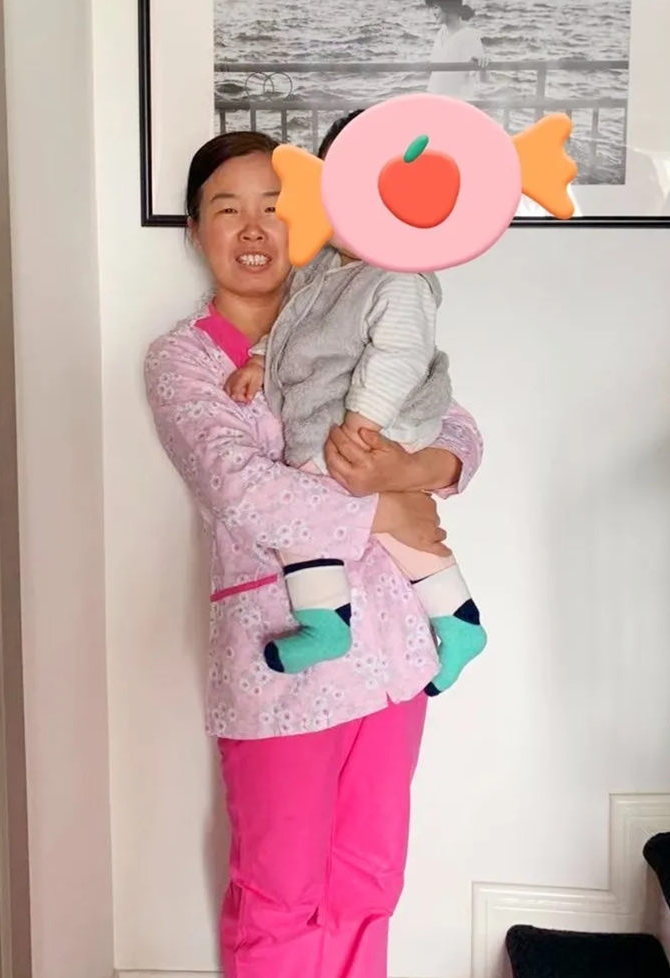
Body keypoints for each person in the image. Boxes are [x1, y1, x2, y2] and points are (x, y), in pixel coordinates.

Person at [144, 129, 484, 978]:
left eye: (274, 206)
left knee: (370, 880)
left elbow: (455, 427)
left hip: (396, 650)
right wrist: (388, 502)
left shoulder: (354, 307)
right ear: (195, 230)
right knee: (279, 891)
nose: (254, 227)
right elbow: (242, 490)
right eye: (228, 209)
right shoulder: (183, 361)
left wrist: (418, 471)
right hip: (283, 668)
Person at [224, 111, 486, 693]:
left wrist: (364, 424)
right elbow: (294, 325)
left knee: (308, 507)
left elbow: (399, 357)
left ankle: (338, 620)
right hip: (330, 425)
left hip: (371, 423)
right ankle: (451, 619)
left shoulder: (399, 280)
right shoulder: (322, 265)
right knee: (339, 514)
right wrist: (262, 360)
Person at [426, 0, 488, 100]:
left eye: (436, 7)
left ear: (448, 7)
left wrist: (482, 65)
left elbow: (483, 80)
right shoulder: (441, 33)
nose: (433, 13)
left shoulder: (469, 36)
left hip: (455, 101)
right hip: (435, 99)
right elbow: (435, 73)